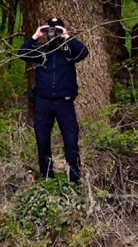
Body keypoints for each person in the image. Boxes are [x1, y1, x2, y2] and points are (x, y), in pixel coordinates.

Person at [18, 17, 89, 183]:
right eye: (50, 30)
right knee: (42, 139)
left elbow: (83, 53)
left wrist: (66, 36)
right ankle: (47, 176)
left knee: (71, 139)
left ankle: (74, 177)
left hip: (64, 101)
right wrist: (36, 35)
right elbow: (22, 54)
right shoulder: (41, 50)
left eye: (56, 29)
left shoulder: (68, 51)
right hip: (43, 102)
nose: (53, 33)